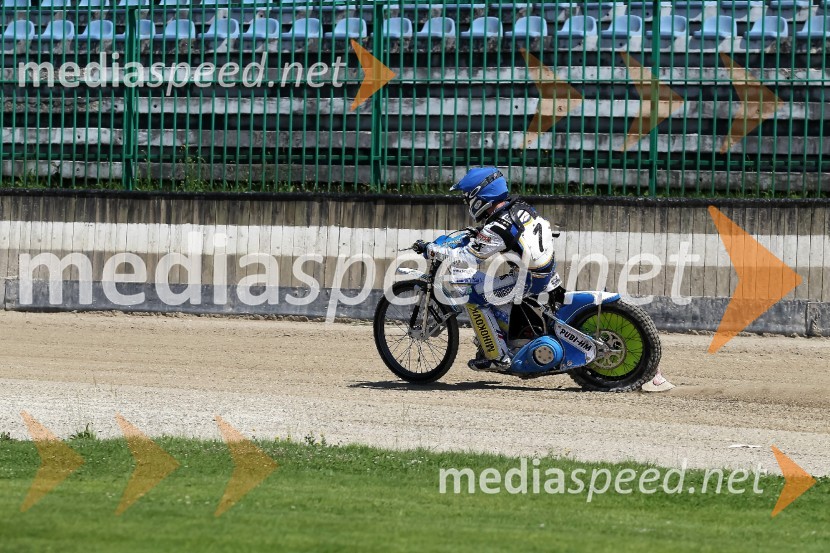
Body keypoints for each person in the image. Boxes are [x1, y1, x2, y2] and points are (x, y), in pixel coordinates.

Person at [413, 167, 560, 371]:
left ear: (480, 196)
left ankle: (497, 357)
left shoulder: (497, 227)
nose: (467, 203)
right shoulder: (519, 207)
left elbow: (467, 259)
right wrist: (477, 234)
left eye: (468, 198)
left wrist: (432, 250)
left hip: (528, 280)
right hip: (544, 271)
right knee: (488, 288)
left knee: (472, 293)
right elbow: (501, 233)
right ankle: (505, 336)